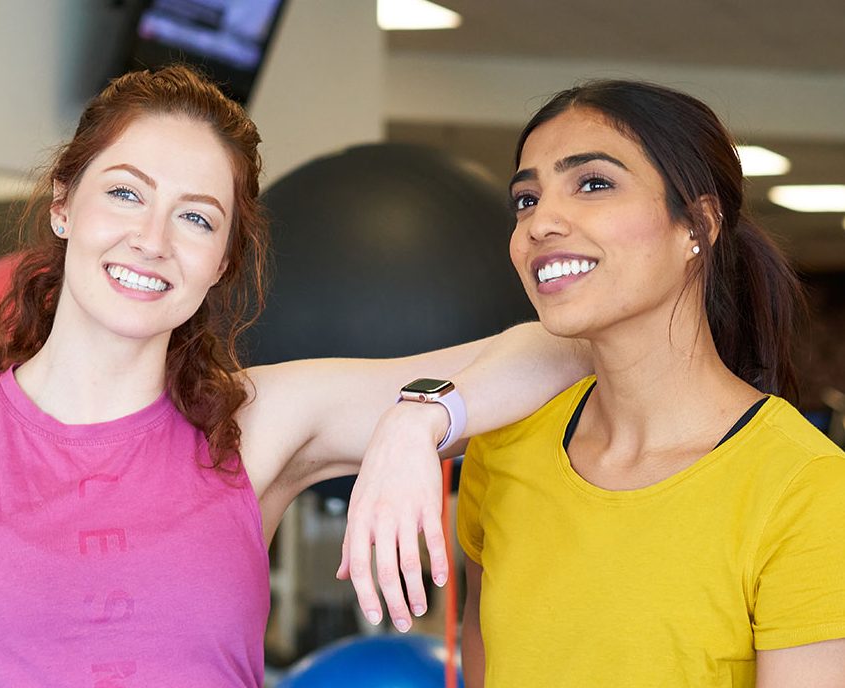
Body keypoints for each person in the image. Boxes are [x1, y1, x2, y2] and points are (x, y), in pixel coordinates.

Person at [0, 64, 591, 687]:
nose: (151, 240)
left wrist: (421, 417)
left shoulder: (257, 424)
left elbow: (559, 348)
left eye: (197, 219)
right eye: (125, 193)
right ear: (64, 206)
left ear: (223, 263)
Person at [341, 80, 845, 686]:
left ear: (699, 226)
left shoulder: (807, 487)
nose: (540, 222)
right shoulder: (504, 450)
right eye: (525, 200)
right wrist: (412, 419)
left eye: (594, 184)